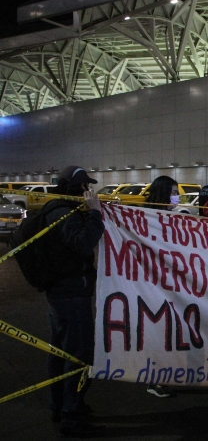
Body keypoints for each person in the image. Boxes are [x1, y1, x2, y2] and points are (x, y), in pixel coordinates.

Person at [45, 166, 105, 437]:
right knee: (78, 355)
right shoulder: (63, 213)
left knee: (61, 353)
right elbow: (83, 243)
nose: (88, 191)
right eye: (85, 186)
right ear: (78, 187)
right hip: (71, 294)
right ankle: (72, 414)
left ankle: (61, 406)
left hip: (61, 292)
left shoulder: (55, 209)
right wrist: (94, 213)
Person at [143, 175, 180, 397]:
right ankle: (154, 378)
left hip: (171, 283)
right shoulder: (147, 217)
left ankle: (165, 373)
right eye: (174, 193)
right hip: (152, 285)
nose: (177, 198)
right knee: (157, 332)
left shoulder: (172, 216)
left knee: (170, 332)